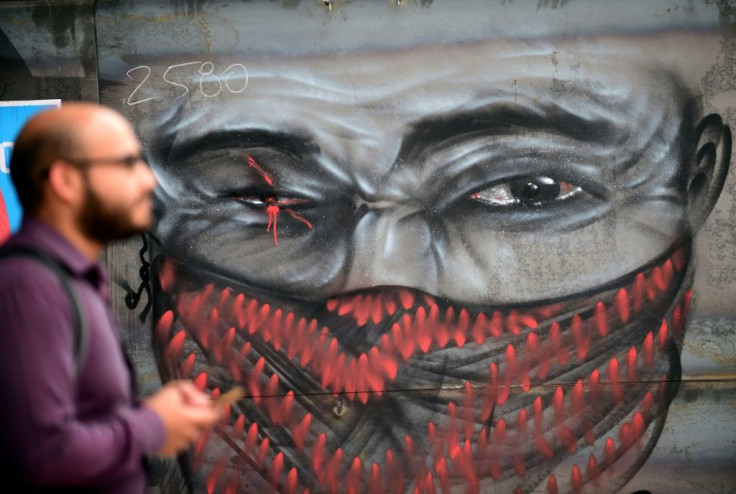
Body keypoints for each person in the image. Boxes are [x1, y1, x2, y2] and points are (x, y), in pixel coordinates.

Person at [0, 103, 221, 493]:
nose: (147, 180)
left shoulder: (70, 280)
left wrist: (152, 414)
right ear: (65, 181)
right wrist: (153, 427)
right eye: (126, 163)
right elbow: (42, 455)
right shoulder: (30, 286)